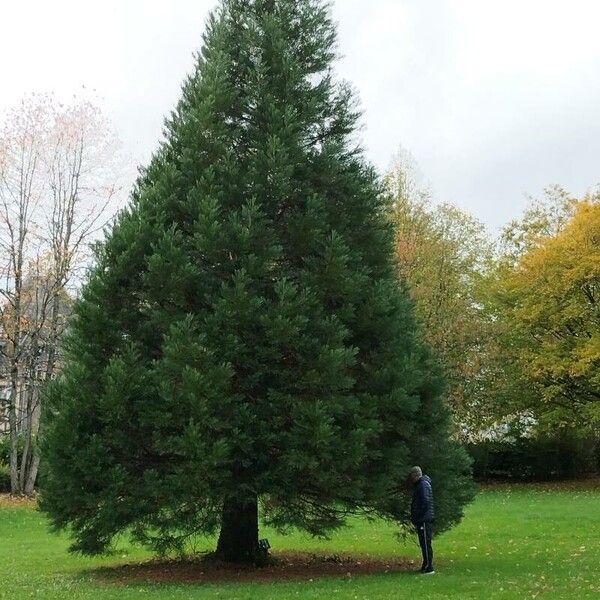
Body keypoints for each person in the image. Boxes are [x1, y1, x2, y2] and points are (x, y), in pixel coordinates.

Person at [409, 466, 435, 574]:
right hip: (423, 518)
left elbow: (425, 502)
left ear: (415, 475)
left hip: (424, 519)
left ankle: (429, 567)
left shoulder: (423, 485)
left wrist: (418, 515)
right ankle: (425, 564)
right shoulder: (422, 484)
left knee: (425, 542)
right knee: (423, 543)